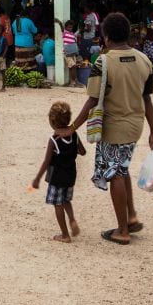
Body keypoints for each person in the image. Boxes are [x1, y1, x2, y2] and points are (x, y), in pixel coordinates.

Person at [64, 12, 153, 245]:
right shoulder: (144, 60)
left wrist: (73, 127)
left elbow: (92, 99)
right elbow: (147, 98)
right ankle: (131, 216)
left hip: (114, 126)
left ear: (106, 36)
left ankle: (122, 231)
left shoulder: (103, 61)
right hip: (135, 125)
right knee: (122, 168)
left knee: (115, 173)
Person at [31, 101, 86, 242]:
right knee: (66, 200)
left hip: (56, 178)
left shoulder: (53, 140)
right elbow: (83, 151)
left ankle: (65, 235)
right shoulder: (74, 135)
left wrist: (37, 178)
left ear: (52, 122)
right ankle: (72, 219)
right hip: (71, 175)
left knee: (58, 203)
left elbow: (46, 161)